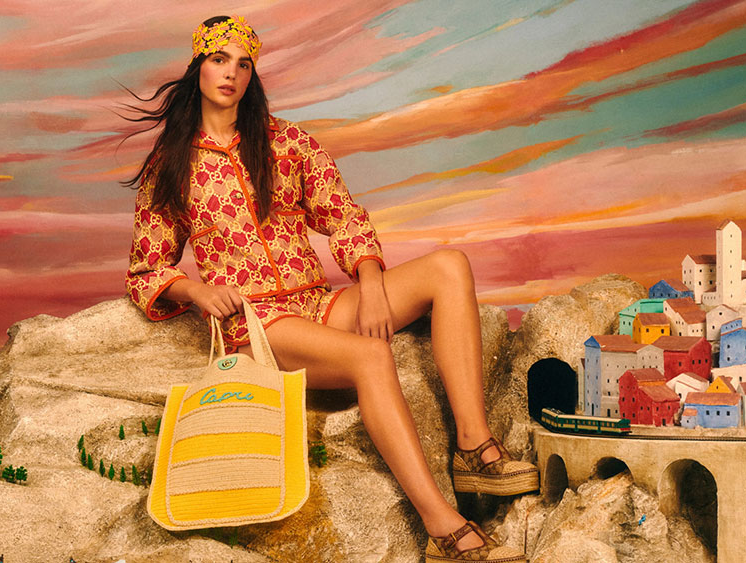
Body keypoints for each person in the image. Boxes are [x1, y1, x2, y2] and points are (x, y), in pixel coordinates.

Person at [124, 15, 538, 562]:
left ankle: (473, 445)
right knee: (372, 356)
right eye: (219, 60)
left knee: (449, 266)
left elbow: (343, 217)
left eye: (243, 64)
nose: (230, 74)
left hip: (318, 301)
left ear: (252, 75)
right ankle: (440, 524)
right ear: (198, 66)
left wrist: (371, 282)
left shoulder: (287, 142)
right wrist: (196, 292)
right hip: (258, 324)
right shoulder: (172, 163)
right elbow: (146, 268)